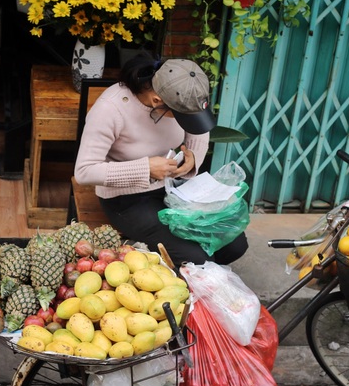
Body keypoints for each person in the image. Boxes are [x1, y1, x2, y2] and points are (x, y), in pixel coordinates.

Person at [74, 54, 248, 267]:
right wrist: (145, 168)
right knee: (197, 259)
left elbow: (198, 130)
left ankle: (195, 278)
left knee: (234, 245)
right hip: (127, 199)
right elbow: (84, 171)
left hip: (174, 188)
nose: (186, 120)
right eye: (181, 115)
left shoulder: (183, 88)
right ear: (157, 101)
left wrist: (192, 159)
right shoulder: (111, 109)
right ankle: (177, 279)